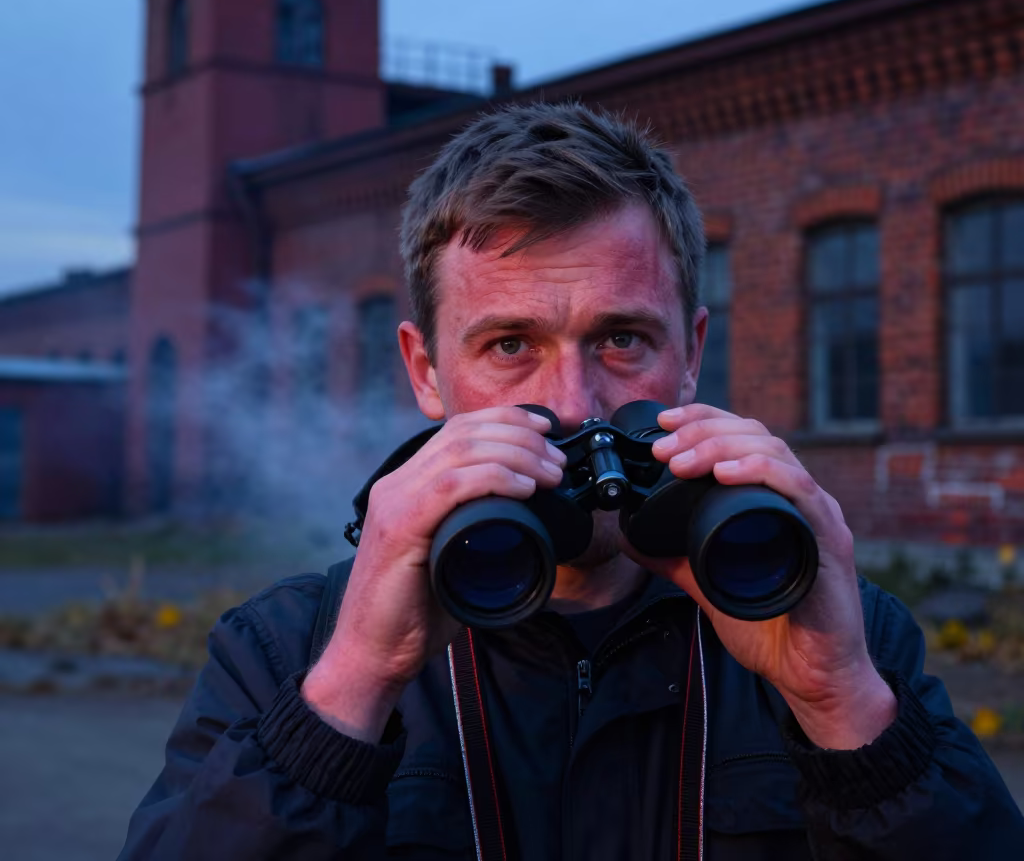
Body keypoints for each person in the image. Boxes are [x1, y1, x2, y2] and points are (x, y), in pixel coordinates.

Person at [119, 102, 1023, 860]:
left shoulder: (838, 630)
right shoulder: (285, 654)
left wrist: (844, 707)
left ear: (693, 354)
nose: (576, 402)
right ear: (426, 371)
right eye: (510, 345)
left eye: (622, 339)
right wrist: (353, 686)